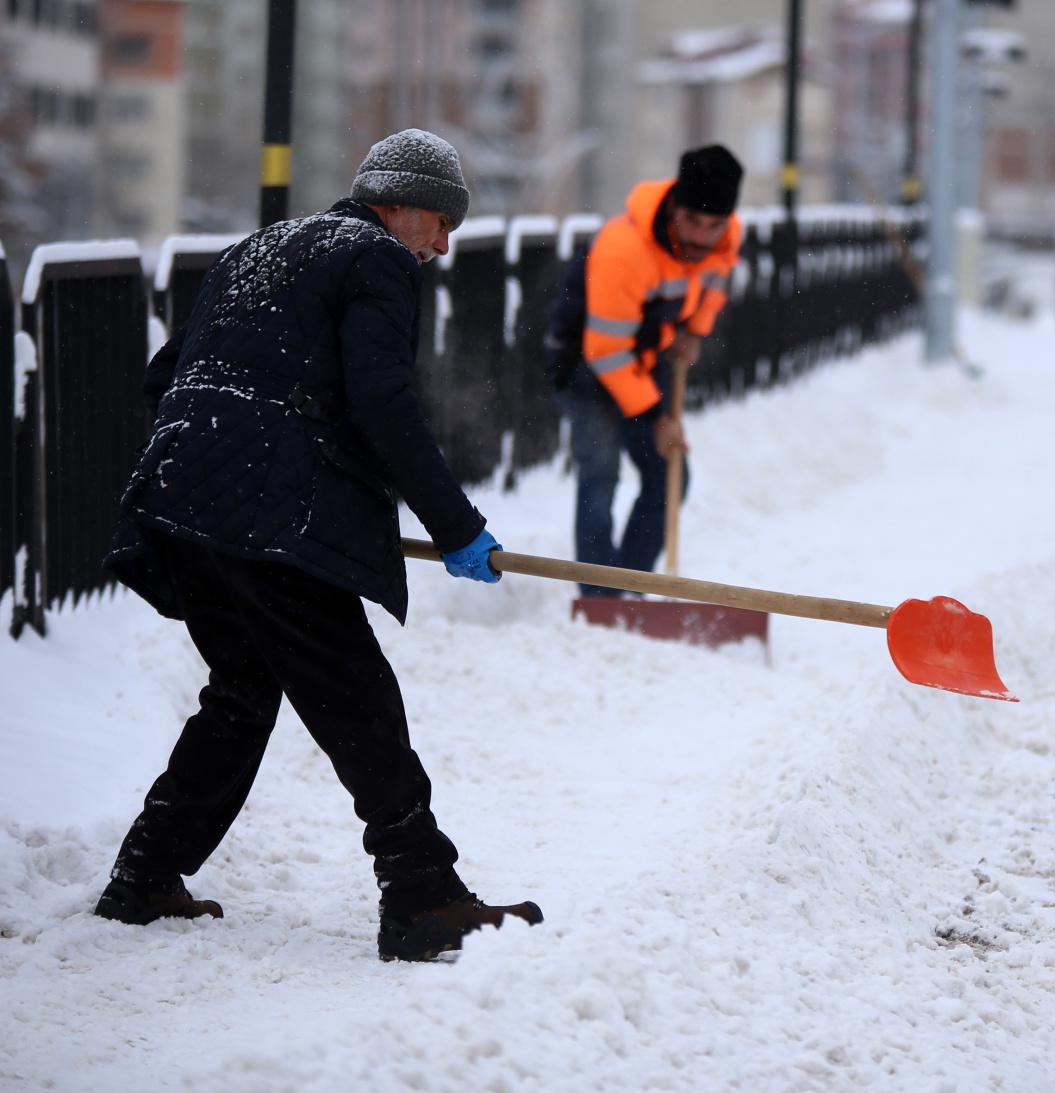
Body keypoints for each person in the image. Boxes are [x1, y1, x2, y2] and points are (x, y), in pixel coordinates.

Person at [96, 129, 542, 962]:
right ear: (400, 202)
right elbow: (384, 404)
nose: (442, 247)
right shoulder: (375, 259)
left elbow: (165, 376)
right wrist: (458, 527)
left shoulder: (261, 247)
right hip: (267, 516)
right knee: (358, 697)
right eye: (440, 223)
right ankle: (419, 896)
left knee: (242, 690)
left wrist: (218, 457)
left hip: (179, 496)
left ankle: (144, 875)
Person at [548, 144, 744, 596]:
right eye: (693, 221)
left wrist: (694, 330)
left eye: (714, 226)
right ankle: (600, 597)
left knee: (668, 475)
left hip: (645, 357)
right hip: (586, 362)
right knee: (601, 473)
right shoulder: (625, 249)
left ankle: (630, 587)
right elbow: (606, 352)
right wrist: (655, 417)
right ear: (674, 205)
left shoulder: (723, 235)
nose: (702, 238)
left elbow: (714, 279)